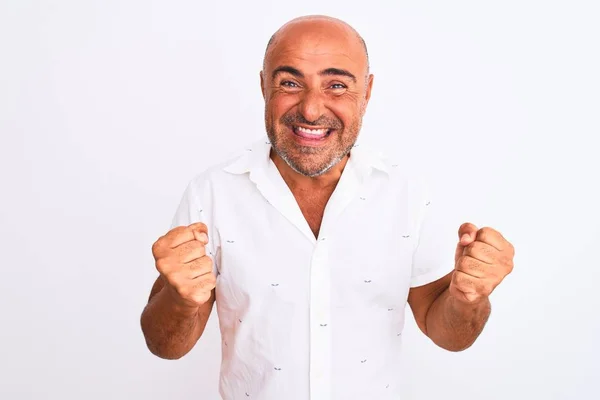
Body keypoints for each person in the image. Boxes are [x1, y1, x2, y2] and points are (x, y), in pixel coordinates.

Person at [140, 15, 515, 399]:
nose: (311, 110)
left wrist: (469, 297)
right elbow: (166, 344)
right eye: (289, 83)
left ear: (366, 92)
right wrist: (179, 298)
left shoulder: (409, 194)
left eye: (336, 85)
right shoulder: (212, 192)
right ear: (263, 86)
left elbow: (449, 335)